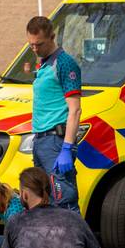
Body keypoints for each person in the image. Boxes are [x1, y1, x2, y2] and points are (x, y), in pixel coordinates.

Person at [24, 16, 83, 211]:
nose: (34, 49)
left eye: (39, 44)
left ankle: (78, 241)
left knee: (64, 201)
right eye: (31, 45)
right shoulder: (44, 63)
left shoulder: (64, 64)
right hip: (41, 140)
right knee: (43, 201)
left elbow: (75, 109)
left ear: (52, 37)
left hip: (56, 142)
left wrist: (67, 147)